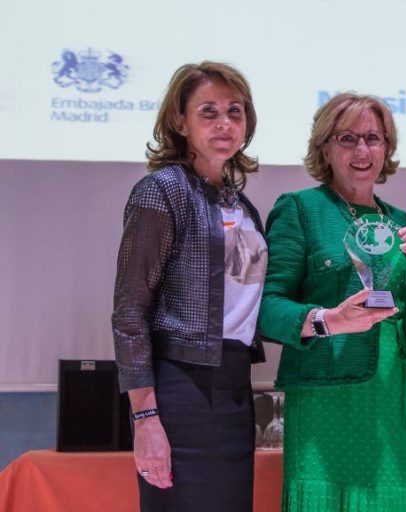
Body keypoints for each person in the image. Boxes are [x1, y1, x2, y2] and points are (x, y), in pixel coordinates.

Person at [258, 92, 406, 512]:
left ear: (387, 148)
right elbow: (268, 309)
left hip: (390, 391)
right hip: (326, 392)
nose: (362, 150)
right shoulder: (301, 210)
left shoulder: (403, 224)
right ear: (325, 147)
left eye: (373, 138)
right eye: (347, 138)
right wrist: (328, 320)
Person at [112, 61, 267, 512]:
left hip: (236, 387)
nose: (225, 123)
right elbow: (128, 313)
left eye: (234, 111)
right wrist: (145, 418)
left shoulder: (243, 206)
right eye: (209, 111)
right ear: (180, 122)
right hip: (181, 391)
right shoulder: (161, 191)